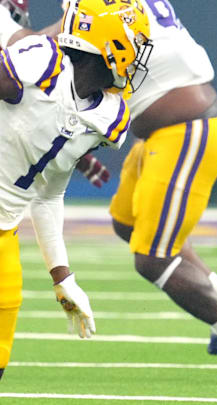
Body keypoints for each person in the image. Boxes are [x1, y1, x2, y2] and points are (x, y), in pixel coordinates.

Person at [7, 0, 217, 385]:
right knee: (126, 223)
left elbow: (39, 46)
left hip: (189, 129)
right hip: (166, 132)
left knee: (152, 258)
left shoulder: (109, 12)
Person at [0, 0, 152, 380]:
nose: (139, 55)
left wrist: (62, 276)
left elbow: (48, 194)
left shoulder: (109, 116)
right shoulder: (40, 61)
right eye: (135, 42)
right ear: (108, 44)